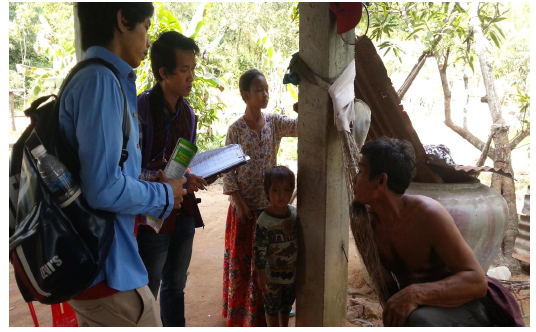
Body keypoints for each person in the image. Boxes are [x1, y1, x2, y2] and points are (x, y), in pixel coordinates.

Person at [60, 3, 187, 327]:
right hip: (107, 272)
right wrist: (163, 195)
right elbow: (103, 187)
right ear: (122, 20)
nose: (147, 42)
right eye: (145, 27)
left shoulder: (101, 79)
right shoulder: (100, 81)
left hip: (109, 265)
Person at [352, 137, 490, 327]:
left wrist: (415, 294)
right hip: (417, 312)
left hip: (462, 305)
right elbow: (388, 287)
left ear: (381, 180)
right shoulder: (365, 225)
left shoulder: (428, 214)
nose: (354, 178)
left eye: (360, 171)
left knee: (417, 319)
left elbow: (477, 283)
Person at [136, 31, 208, 327]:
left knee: (176, 285)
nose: (191, 76)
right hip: (152, 214)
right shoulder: (141, 109)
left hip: (182, 211)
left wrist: (190, 177)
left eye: (193, 68)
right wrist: (161, 180)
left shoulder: (188, 114)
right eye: (184, 70)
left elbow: (184, 162)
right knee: (148, 287)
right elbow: (129, 170)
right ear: (163, 72)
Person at [222, 69, 298, 327]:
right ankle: (244, 315)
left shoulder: (274, 122)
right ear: (245, 95)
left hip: (269, 210)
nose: (265, 94)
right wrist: (239, 202)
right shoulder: (236, 130)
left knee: (269, 263)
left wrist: (307, 105)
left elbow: (301, 127)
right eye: (258, 90)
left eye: (266, 89)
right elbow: (228, 172)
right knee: (247, 265)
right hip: (245, 211)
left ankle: (267, 311)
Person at [254, 166, 299, 327]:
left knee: (286, 306)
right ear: (267, 192)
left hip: (291, 275)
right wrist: (260, 275)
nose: (281, 195)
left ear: (292, 191)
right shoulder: (264, 220)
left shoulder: (294, 215)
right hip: (271, 277)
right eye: (275, 190)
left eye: (286, 190)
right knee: (271, 307)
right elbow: (259, 250)